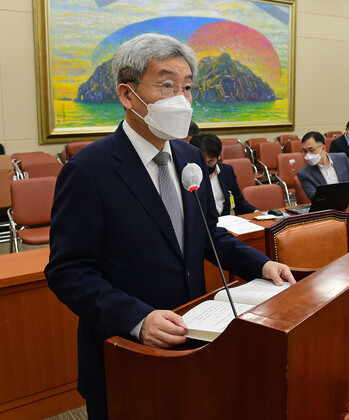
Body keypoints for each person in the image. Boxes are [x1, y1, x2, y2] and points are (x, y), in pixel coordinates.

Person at [44, 33, 295, 419]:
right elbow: (68, 271)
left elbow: (208, 233)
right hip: (126, 351)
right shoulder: (88, 171)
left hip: (194, 335)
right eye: (166, 85)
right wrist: (137, 319)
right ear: (128, 96)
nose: (182, 99)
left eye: (187, 87)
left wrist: (259, 265)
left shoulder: (189, 154)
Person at [190, 133, 259, 216]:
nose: (205, 166)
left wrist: (256, 213)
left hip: (227, 221)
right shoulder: (190, 177)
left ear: (219, 157)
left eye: (210, 162)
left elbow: (238, 200)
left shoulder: (227, 171)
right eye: (202, 162)